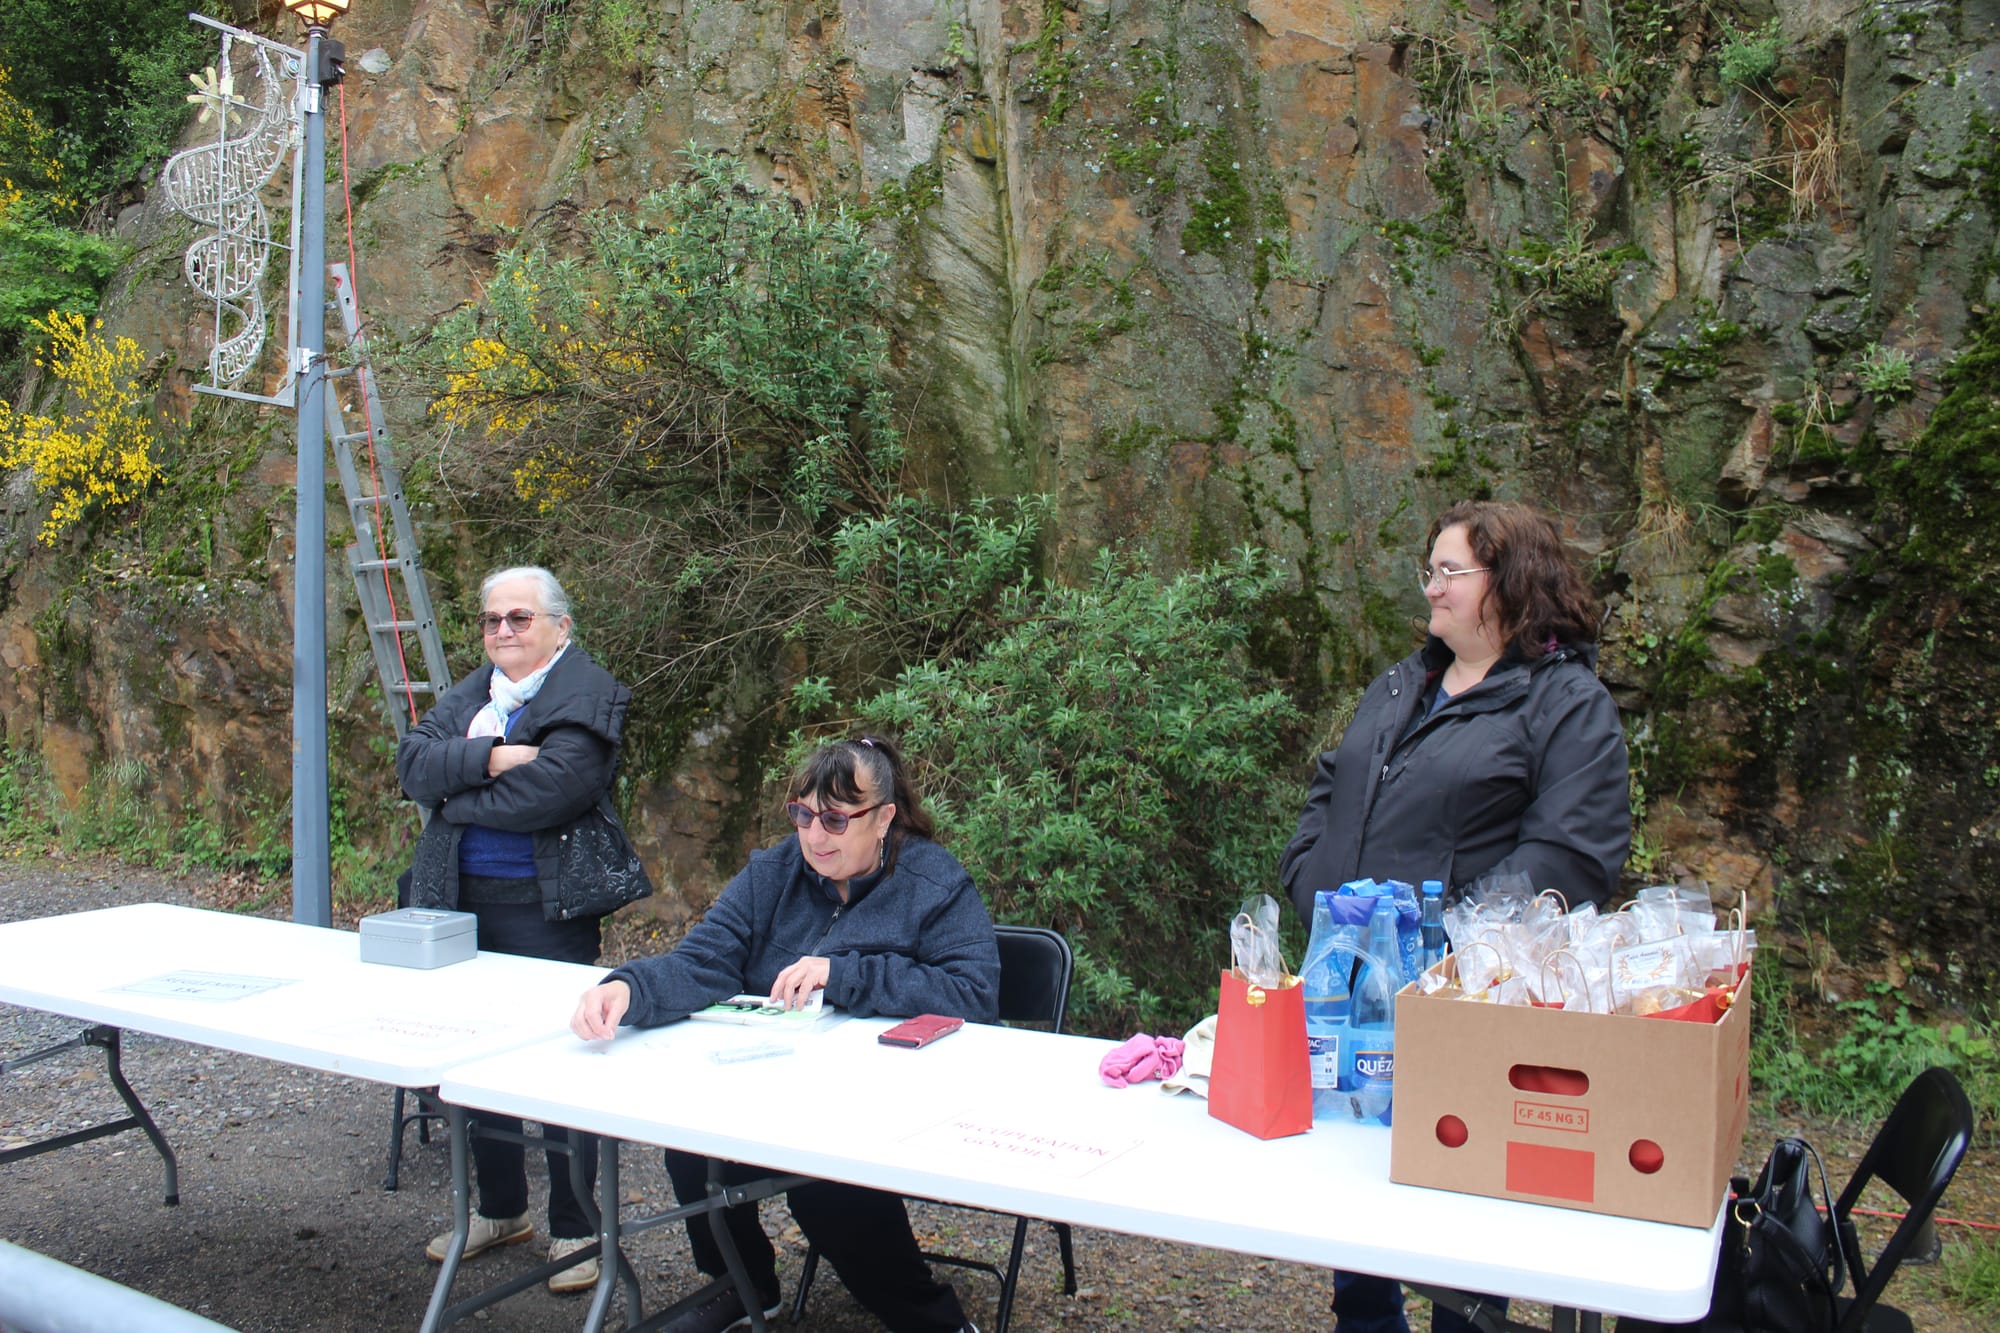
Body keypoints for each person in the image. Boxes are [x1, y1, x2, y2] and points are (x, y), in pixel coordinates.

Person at [1278, 500, 1630, 1333]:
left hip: (1468, 1000)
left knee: (1458, 1200)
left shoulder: (1565, 704)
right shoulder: (1406, 681)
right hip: (1353, 989)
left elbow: (1571, 854)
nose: (1430, 588)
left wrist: (1441, 946)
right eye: (1429, 570)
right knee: (1353, 1190)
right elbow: (1333, 786)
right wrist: (1309, 882)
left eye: (1448, 572)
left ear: (1509, 583)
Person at [571, 735, 999, 1333]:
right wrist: (628, 989)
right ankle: (742, 1284)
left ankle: (929, 1317)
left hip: (889, 1094)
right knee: (693, 1144)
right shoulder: (773, 872)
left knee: (824, 1175)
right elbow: (704, 960)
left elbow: (973, 994)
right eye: (802, 815)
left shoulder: (933, 880)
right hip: (779, 1079)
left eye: (834, 819)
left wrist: (845, 974)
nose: (815, 836)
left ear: (884, 819)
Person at [399, 565, 652, 1293]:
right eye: (492, 620)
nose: (503, 631)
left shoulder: (589, 690)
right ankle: (500, 1209)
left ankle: (577, 1228)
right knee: (472, 1059)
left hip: (547, 908)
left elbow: (556, 791)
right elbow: (413, 764)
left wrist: (456, 797)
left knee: (563, 1064)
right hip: (457, 900)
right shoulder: (478, 692)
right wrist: (491, 756)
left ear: (559, 627)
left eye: (519, 618)